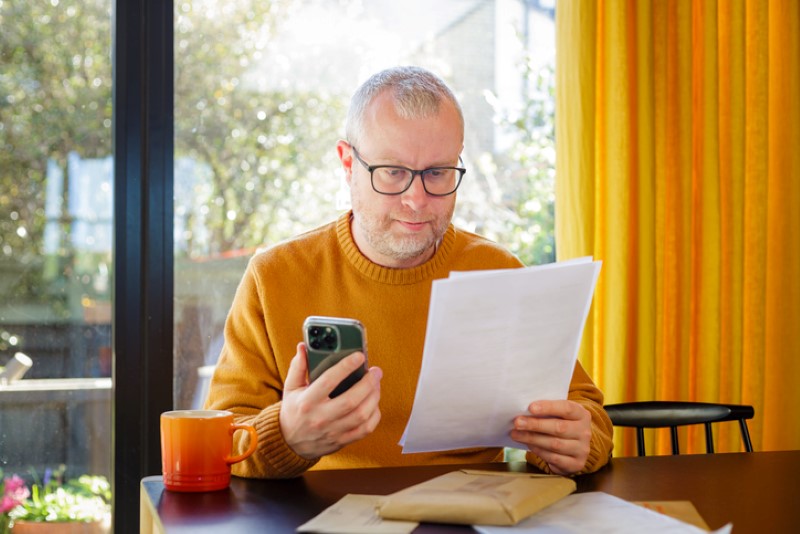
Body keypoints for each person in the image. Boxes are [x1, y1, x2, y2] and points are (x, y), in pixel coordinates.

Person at [205, 66, 613, 479]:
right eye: (393, 173)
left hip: (471, 514)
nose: (416, 200)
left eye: (437, 173)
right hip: (323, 513)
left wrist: (577, 442)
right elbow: (218, 440)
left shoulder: (497, 271)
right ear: (348, 164)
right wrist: (287, 436)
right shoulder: (274, 277)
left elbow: (586, 413)